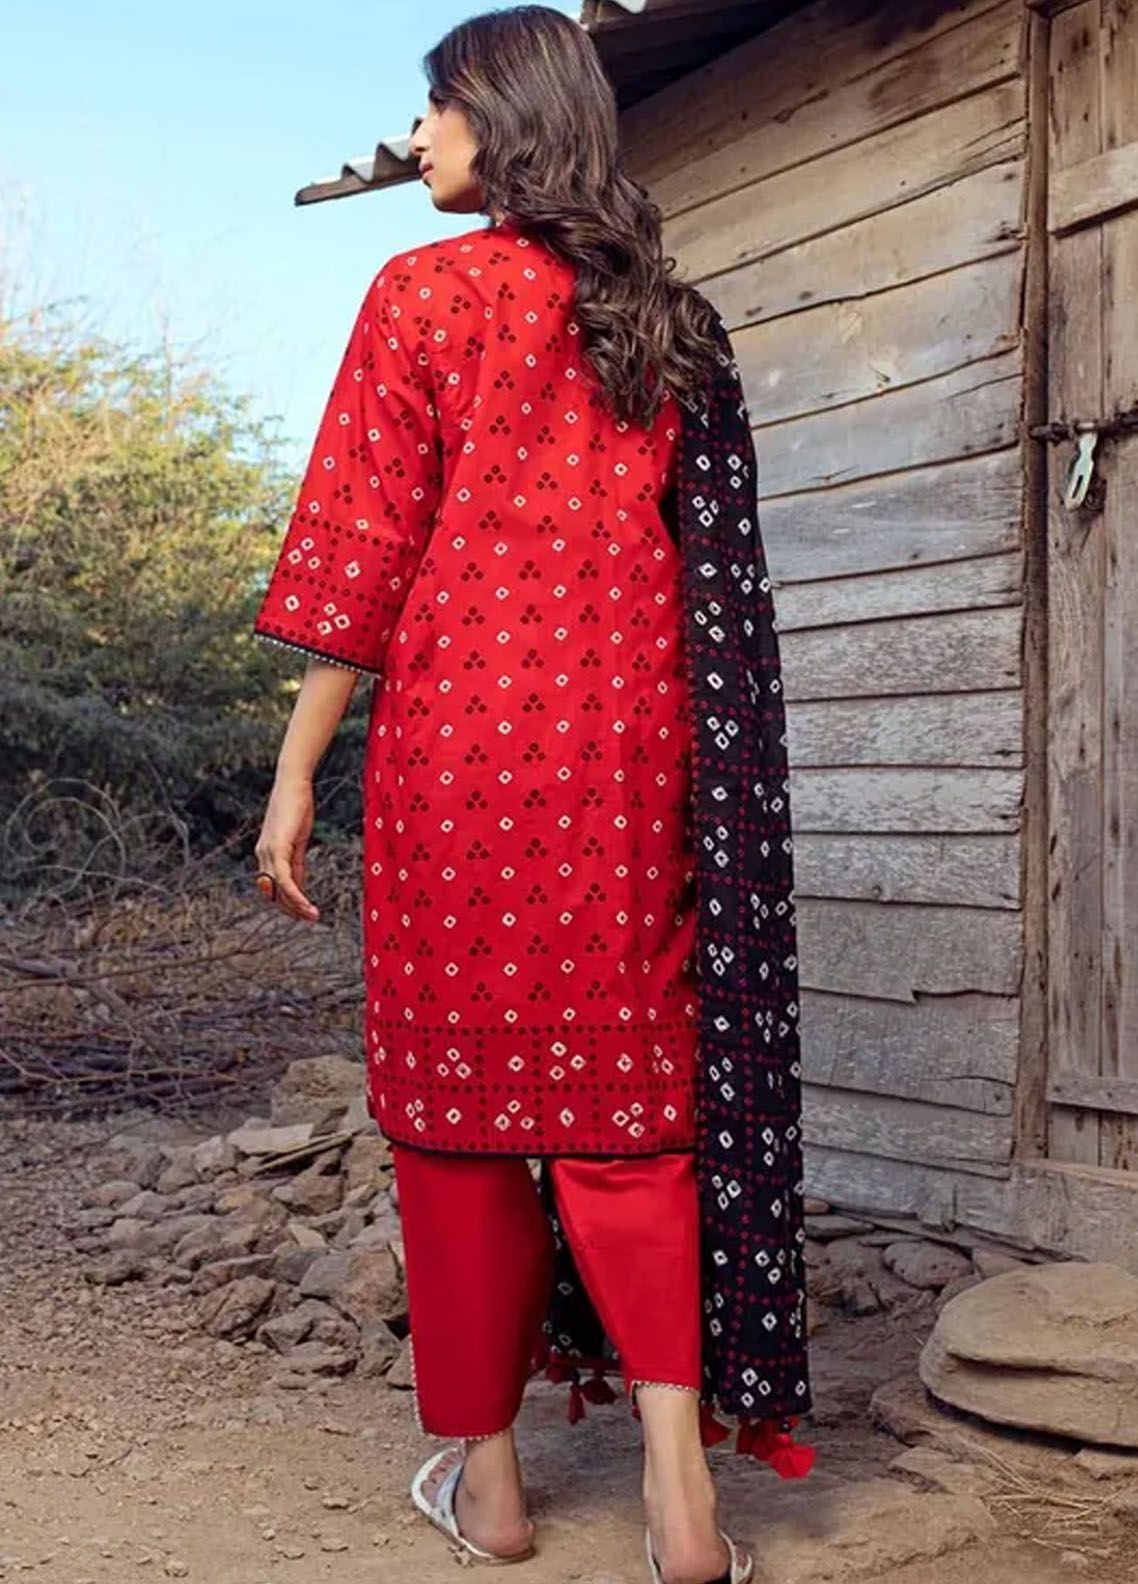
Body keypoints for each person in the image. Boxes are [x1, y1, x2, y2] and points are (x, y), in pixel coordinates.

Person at [251, 8, 812, 1583]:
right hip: (631, 754)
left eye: (434, 106)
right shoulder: (668, 320)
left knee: (458, 1127)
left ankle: (491, 1493)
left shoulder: (420, 294)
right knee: (633, 1117)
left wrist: (294, 774)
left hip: (459, 757)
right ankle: (682, 1509)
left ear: (501, 116)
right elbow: (715, 576)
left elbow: (360, 553)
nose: (419, 137)